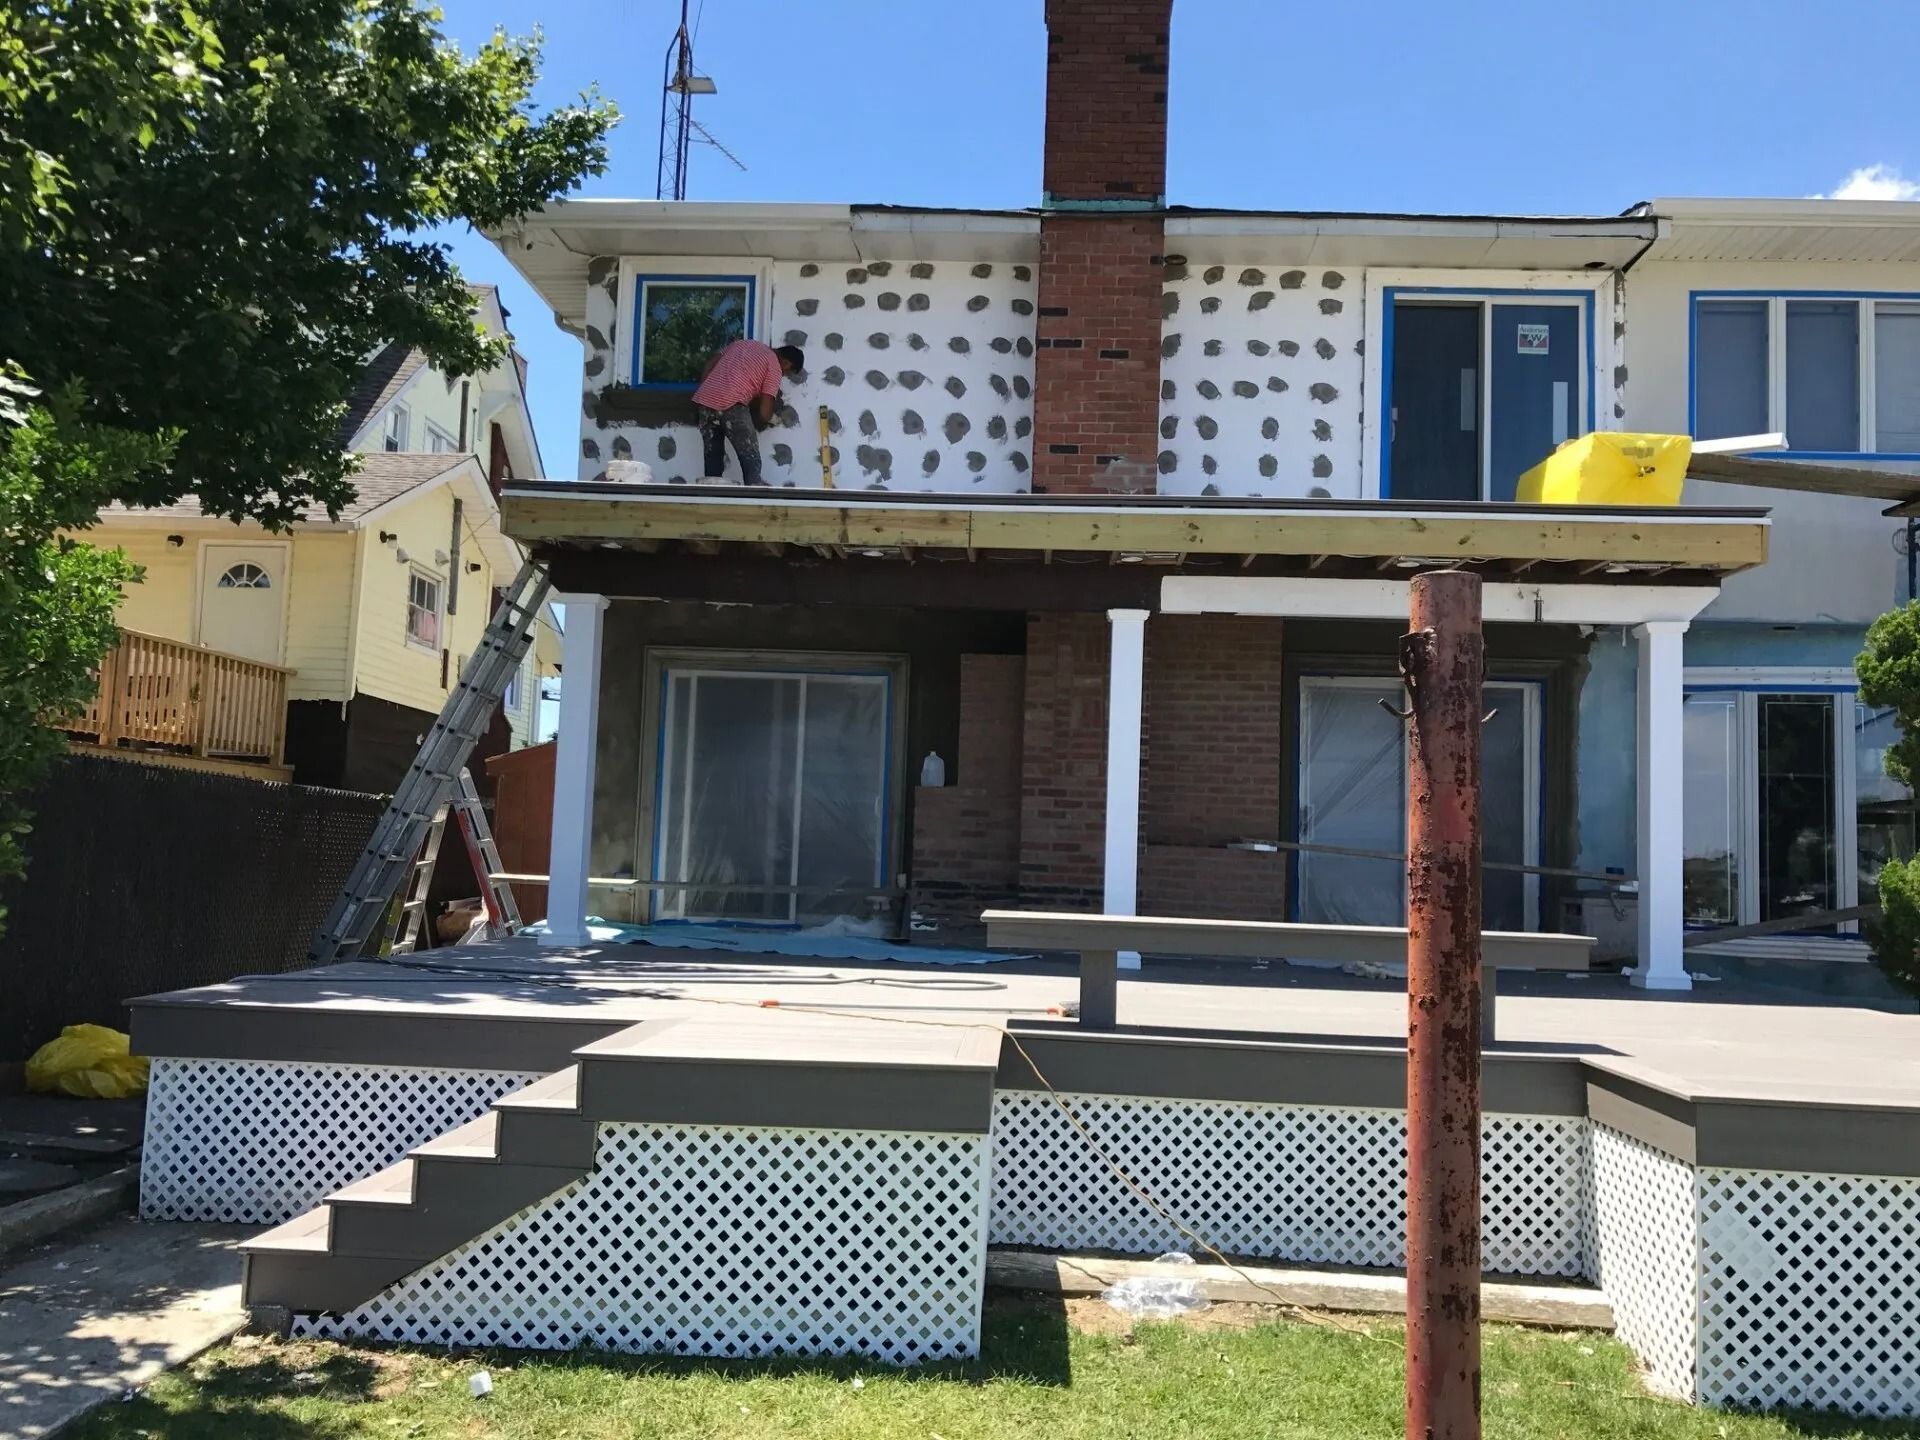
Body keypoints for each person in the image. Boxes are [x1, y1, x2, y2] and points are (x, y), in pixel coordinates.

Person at [690, 339, 805, 485]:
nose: (783, 375)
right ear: (787, 364)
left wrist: (709, 391)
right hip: (732, 404)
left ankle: (712, 497)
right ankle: (754, 493)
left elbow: (710, 364)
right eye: (787, 374)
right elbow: (764, 413)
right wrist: (772, 418)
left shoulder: (743, 344)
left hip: (705, 402)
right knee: (750, 456)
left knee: (713, 455)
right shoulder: (774, 365)